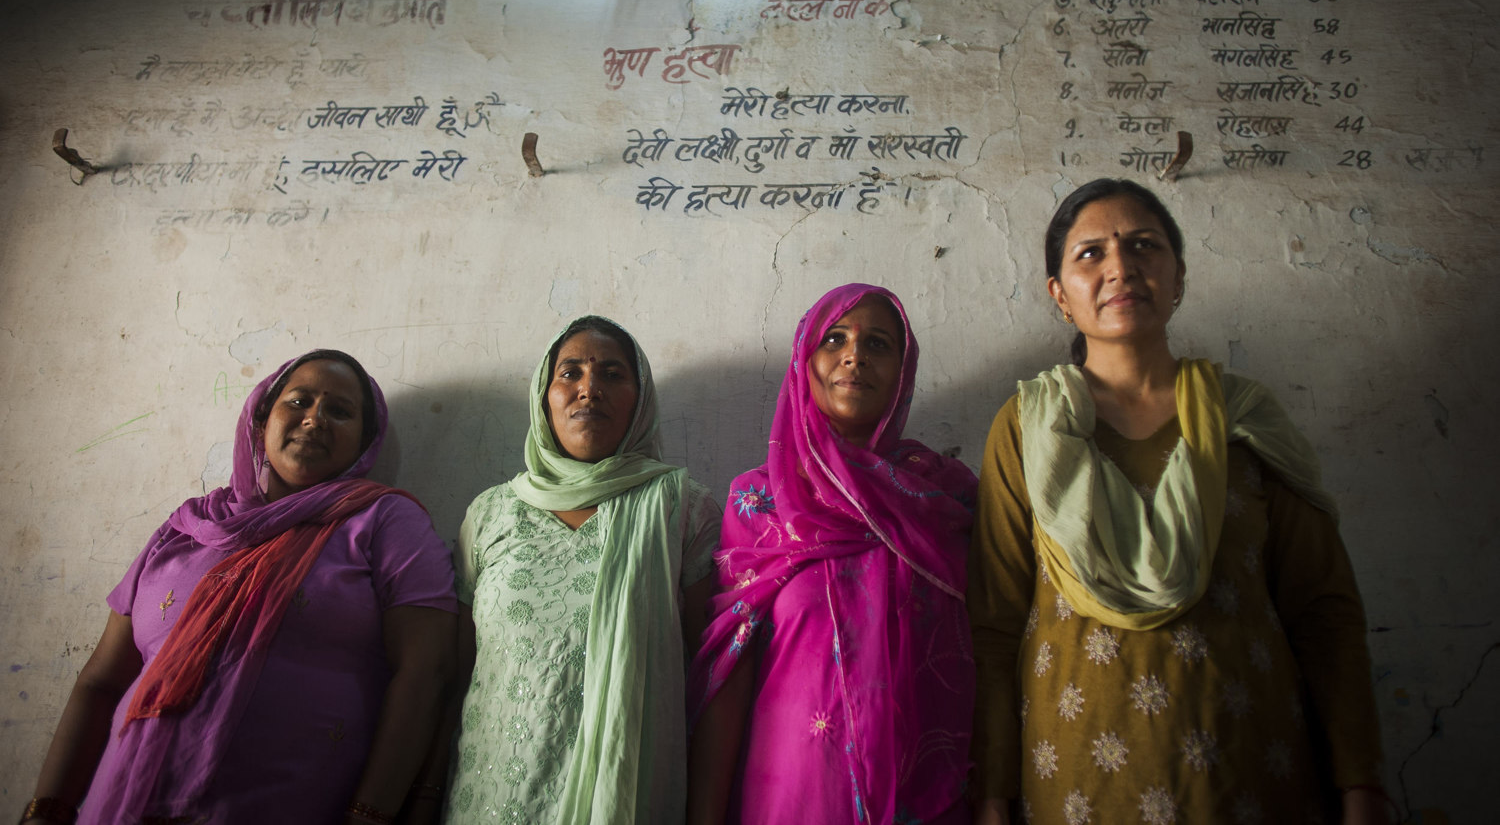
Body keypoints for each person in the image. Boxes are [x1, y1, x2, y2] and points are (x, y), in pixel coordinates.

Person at [968, 179, 1390, 825]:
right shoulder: (1026, 427)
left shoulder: (1246, 421)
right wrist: (993, 798)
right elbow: (995, 625)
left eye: (1144, 246)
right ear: (1059, 295)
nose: (1121, 267)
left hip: (1251, 771)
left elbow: (1324, 614)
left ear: (1178, 276)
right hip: (1075, 781)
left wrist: (1361, 787)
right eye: (1090, 254)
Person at [22, 350, 459, 825]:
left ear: (364, 441)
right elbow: (101, 681)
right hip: (124, 800)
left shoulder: (385, 521)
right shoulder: (189, 526)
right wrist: (47, 810)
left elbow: (425, 673)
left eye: (339, 411)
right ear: (260, 420)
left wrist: (370, 814)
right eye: (299, 401)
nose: (314, 419)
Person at [688, 283, 978, 825]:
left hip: (929, 793)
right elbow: (729, 675)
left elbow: (985, 648)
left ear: (903, 369)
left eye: (878, 344)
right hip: (797, 792)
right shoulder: (761, 503)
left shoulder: (947, 500)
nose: (854, 356)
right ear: (804, 361)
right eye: (834, 339)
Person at [444, 315, 721, 824]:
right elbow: (457, 672)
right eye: (570, 373)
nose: (589, 389)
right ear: (543, 397)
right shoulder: (489, 513)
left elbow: (711, 686)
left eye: (612, 374)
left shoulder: (681, 509)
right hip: (489, 796)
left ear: (640, 400)